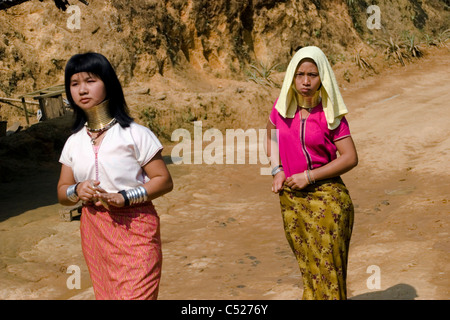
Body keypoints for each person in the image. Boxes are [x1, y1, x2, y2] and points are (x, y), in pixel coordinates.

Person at [57, 52, 173, 300]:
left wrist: (126, 197)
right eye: (74, 84)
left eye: (90, 81)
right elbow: (62, 191)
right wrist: (76, 191)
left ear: (108, 83)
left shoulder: (135, 134)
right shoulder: (73, 142)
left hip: (136, 227)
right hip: (95, 230)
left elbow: (163, 180)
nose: (82, 90)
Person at [266, 46, 358, 300]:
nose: (305, 81)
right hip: (292, 200)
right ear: (291, 77)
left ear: (323, 78)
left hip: (328, 201)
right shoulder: (282, 107)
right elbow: (271, 136)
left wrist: (310, 176)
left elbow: (350, 157)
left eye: (313, 75)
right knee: (309, 268)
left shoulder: (331, 114)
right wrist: (277, 169)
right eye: (300, 74)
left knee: (329, 271)